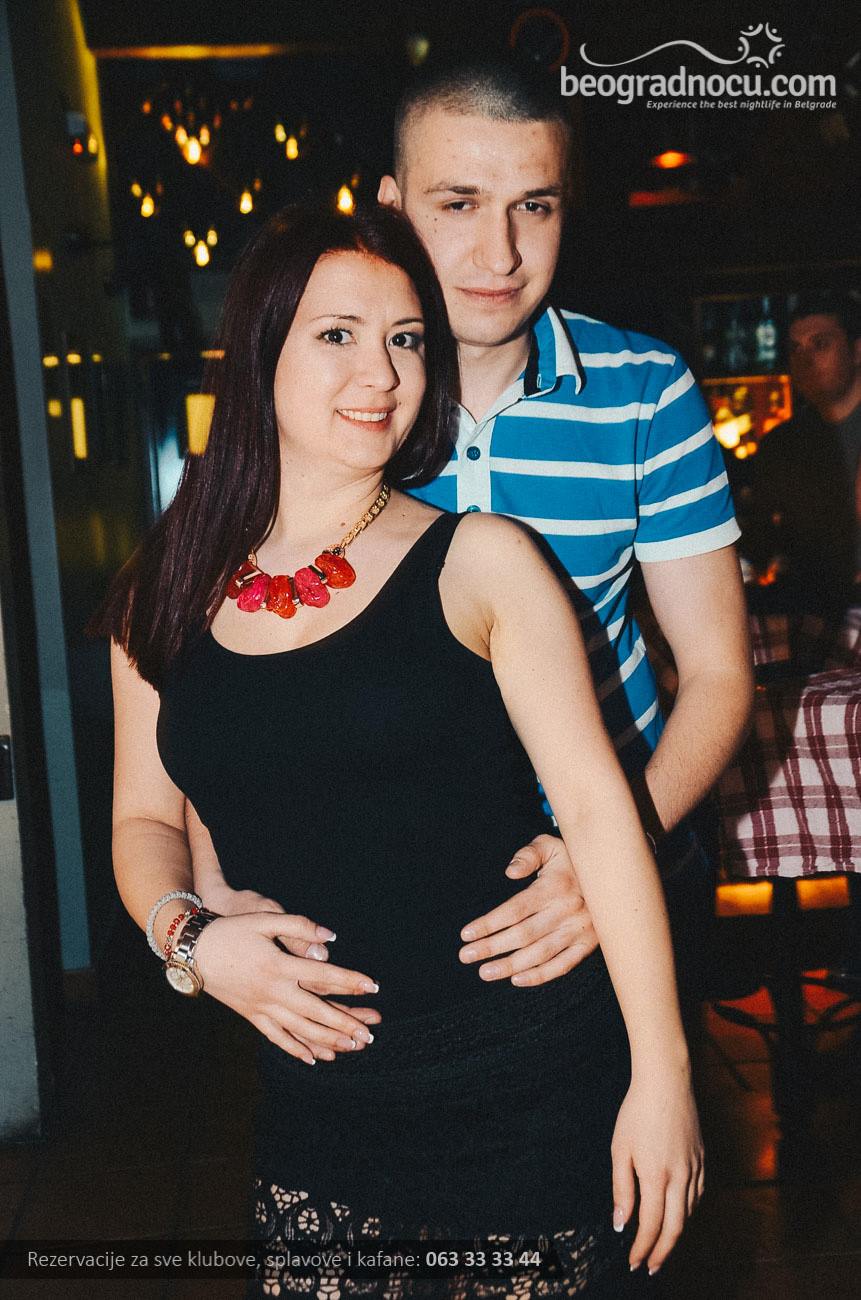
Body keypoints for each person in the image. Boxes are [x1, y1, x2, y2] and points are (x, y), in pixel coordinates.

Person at [93, 202, 702, 1296]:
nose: (381, 372)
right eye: (337, 334)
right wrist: (190, 941)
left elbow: (600, 815)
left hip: (528, 1086)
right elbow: (143, 819)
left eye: (407, 339)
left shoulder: (483, 560)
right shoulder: (165, 586)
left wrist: (663, 1077)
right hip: (319, 1106)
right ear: (260, 353)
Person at [192, 58, 754, 1032]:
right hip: (394, 878)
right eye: (458, 204)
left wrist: (604, 854)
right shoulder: (343, 402)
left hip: (616, 869)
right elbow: (228, 674)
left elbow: (717, 672)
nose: (500, 252)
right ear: (389, 207)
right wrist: (205, 901)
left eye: (534, 206)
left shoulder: (644, 387)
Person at [742, 291, 861, 617]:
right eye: (795, 348)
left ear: (856, 350)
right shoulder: (781, 446)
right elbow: (759, 543)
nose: (805, 359)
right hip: (811, 616)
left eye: (820, 344)